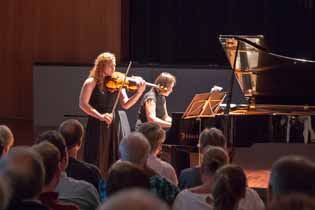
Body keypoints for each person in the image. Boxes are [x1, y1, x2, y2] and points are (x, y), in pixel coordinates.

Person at [79, 52, 146, 177]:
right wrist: (100, 116)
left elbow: (125, 104)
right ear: (102, 66)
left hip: (113, 122)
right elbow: (83, 104)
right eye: (111, 66)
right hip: (97, 122)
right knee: (97, 154)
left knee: (113, 154)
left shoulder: (118, 82)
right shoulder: (91, 82)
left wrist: (138, 93)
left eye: (114, 65)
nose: (114, 69)